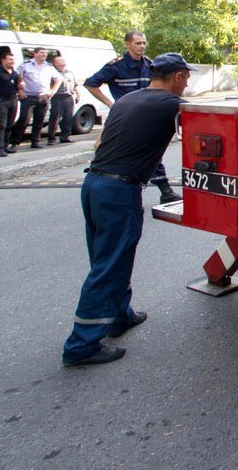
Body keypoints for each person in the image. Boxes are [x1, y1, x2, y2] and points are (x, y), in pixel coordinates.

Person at [61, 52, 194, 367]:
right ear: (177, 77)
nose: (187, 83)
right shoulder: (169, 105)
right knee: (109, 265)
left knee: (107, 257)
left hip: (94, 185)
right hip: (119, 190)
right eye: (186, 77)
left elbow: (99, 144)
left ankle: (119, 316)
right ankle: (81, 345)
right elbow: (212, 118)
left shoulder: (127, 100)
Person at [84, 30, 181, 203]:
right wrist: (110, 103)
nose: (142, 46)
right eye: (138, 43)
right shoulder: (116, 66)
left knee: (147, 151)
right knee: (104, 146)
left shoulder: (150, 66)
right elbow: (90, 83)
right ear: (127, 44)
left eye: (144, 43)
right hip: (123, 115)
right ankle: (107, 181)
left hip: (147, 116)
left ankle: (163, 190)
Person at [11, 47, 61, 149]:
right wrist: (19, 91)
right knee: (24, 120)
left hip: (43, 96)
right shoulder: (26, 65)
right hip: (28, 96)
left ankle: (35, 142)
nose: (44, 55)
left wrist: (52, 91)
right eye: (42, 52)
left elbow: (58, 79)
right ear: (35, 54)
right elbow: (16, 77)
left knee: (39, 121)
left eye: (46, 53)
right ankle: (15, 143)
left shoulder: (49, 66)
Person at [0, 51, 23, 157]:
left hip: (13, 100)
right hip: (1, 101)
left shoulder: (15, 73)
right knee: (0, 125)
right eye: (10, 59)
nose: (12, 61)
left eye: (13, 59)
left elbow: (17, 87)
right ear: (3, 60)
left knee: (9, 125)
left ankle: (5, 145)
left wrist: (21, 87)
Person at [47, 55, 79, 145]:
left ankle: (65, 136)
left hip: (69, 97)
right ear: (55, 63)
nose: (63, 61)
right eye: (60, 60)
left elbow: (75, 84)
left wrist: (78, 94)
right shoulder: (53, 73)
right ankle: (51, 138)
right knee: (55, 118)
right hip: (58, 97)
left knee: (68, 118)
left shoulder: (69, 72)